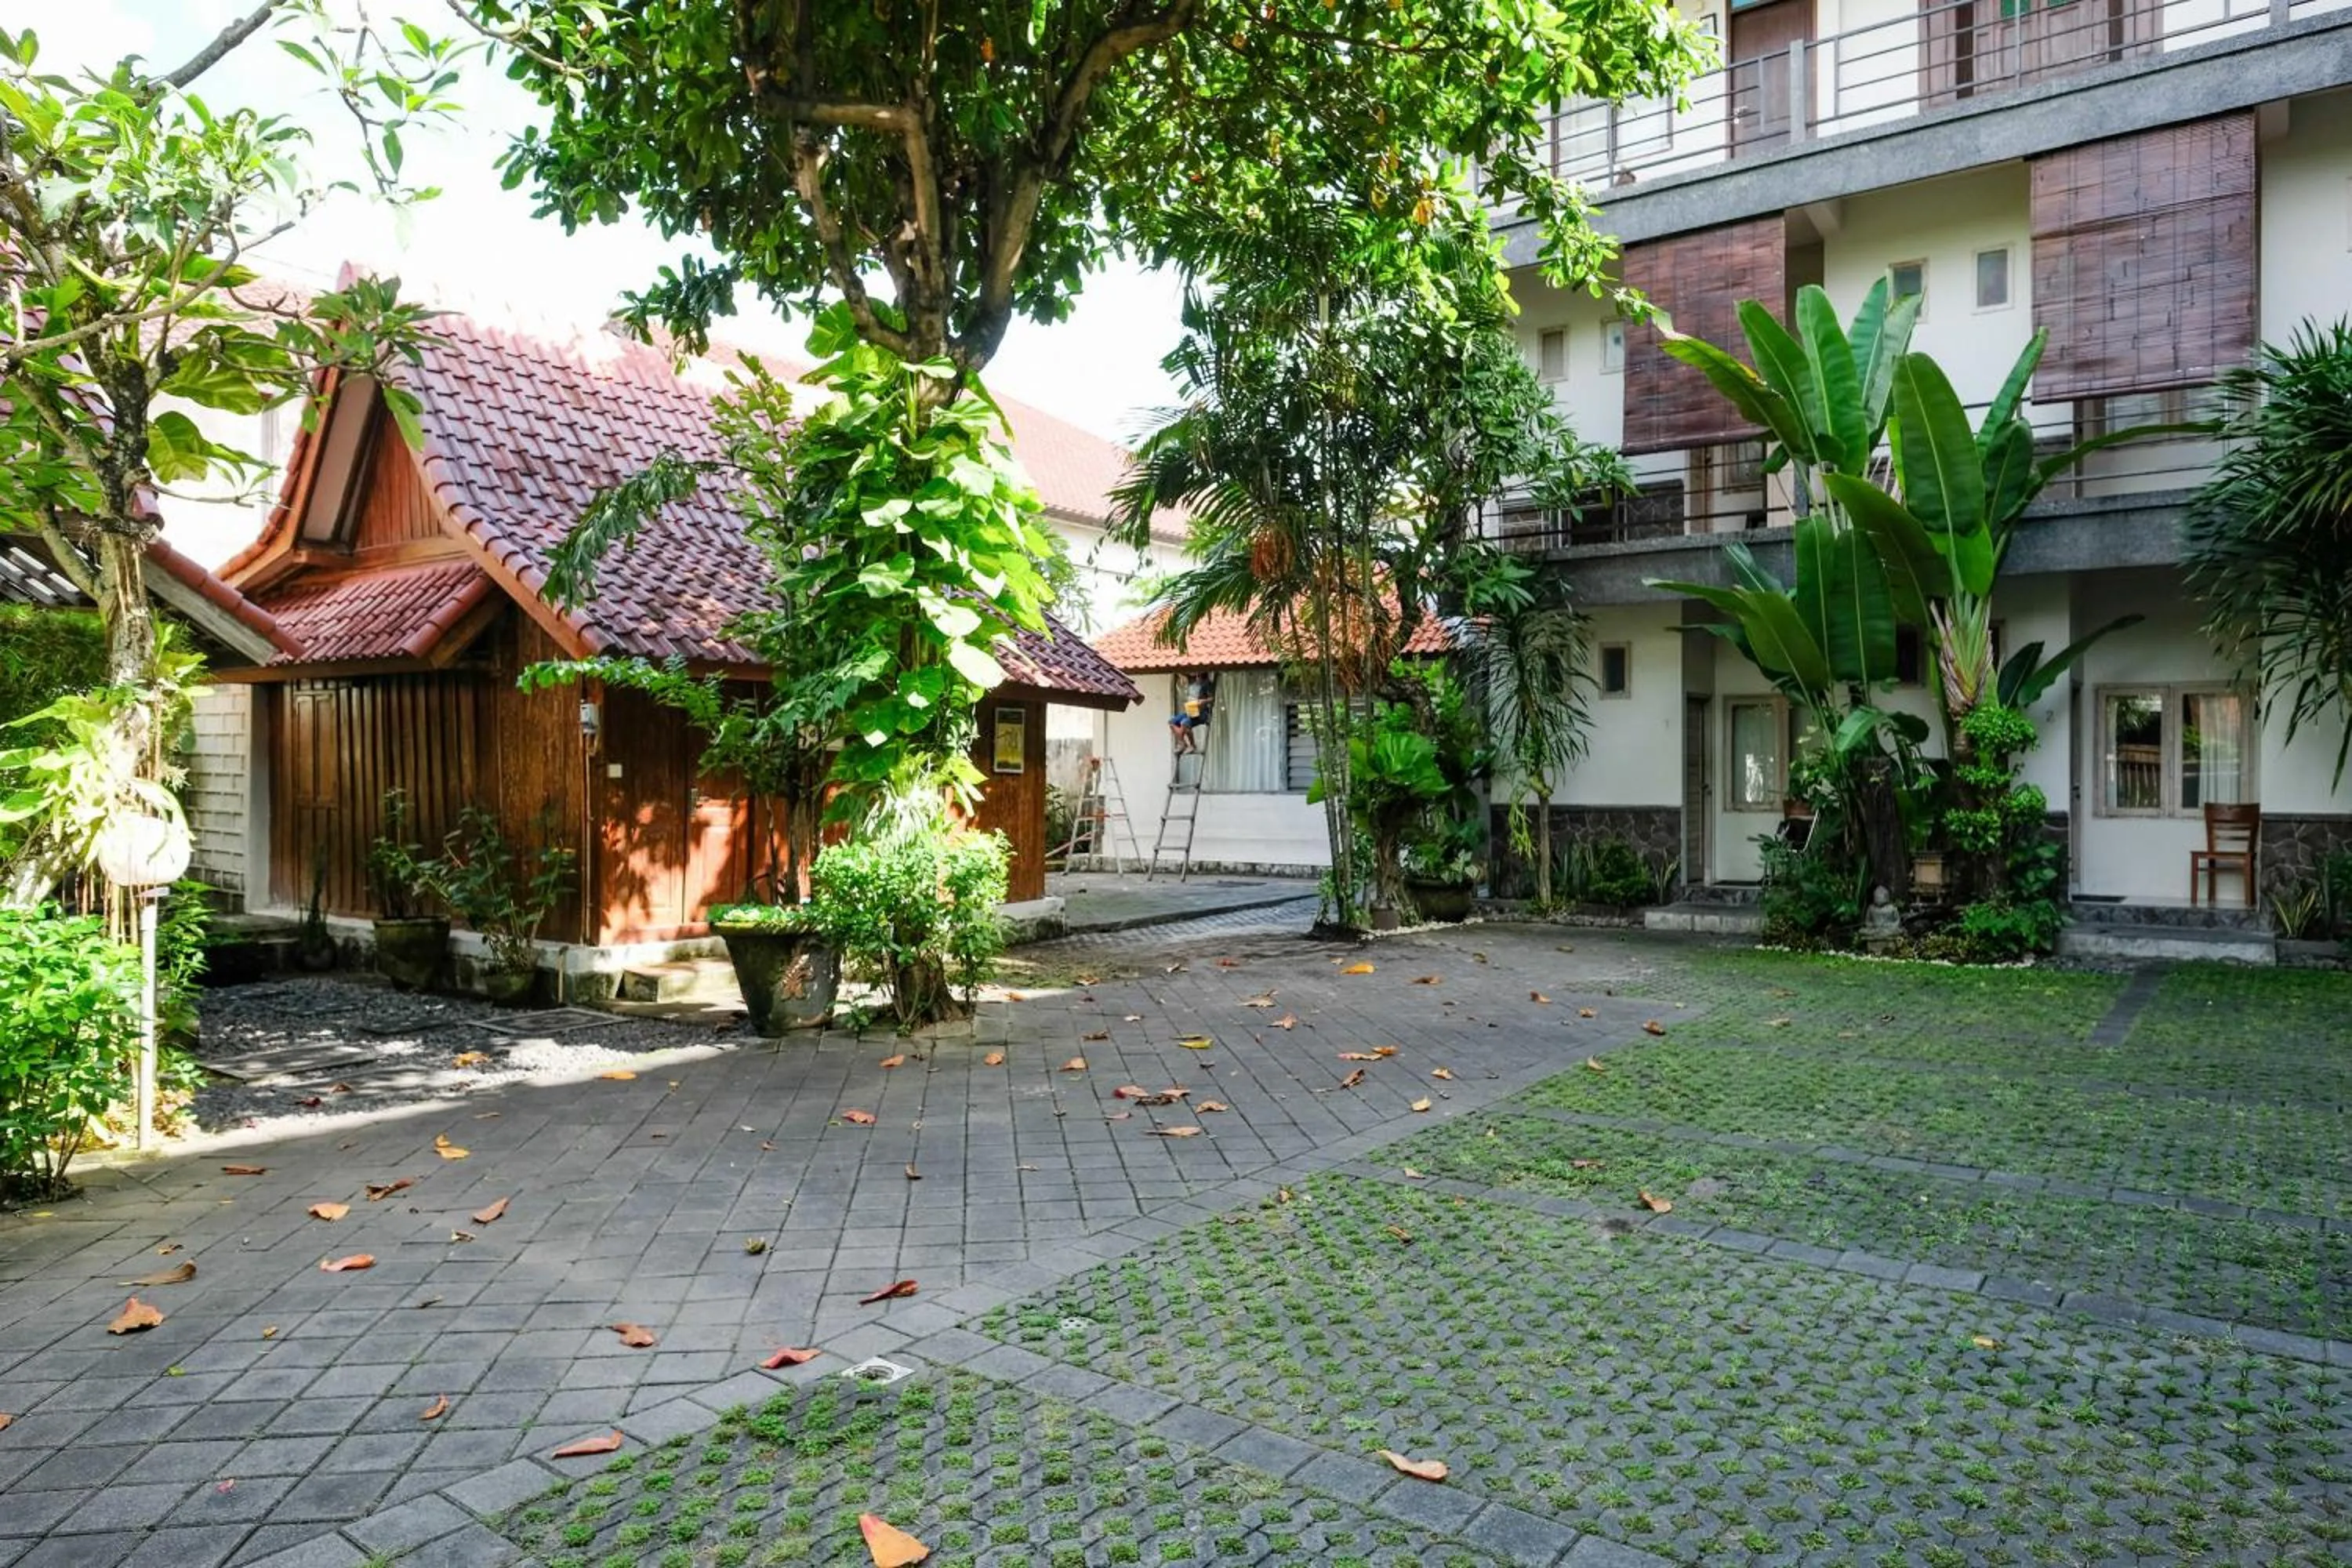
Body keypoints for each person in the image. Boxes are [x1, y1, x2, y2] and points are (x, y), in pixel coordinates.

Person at [1168, 671, 1216, 753]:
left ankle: (1192, 745)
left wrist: (1203, 701)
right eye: (1195, 676)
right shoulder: (1192, 683)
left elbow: (1213, 698)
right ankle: (1182, 743)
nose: (1196, 679)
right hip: (1192, 710)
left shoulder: (1207, 684)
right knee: (1172, 722)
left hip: (1202, 713)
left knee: (1185, 723)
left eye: (1198, 676)